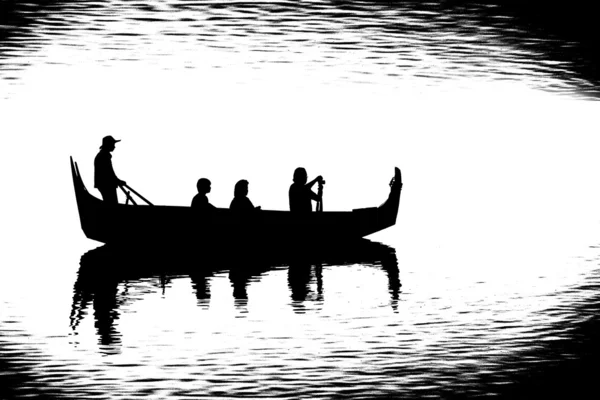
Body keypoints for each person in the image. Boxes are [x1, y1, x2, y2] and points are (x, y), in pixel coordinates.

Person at [94, 135, 126, 204]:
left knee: (111, 204)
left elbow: (109, 172)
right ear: (108, 144)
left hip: (105, 184)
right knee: (112, 204)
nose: (114, 146)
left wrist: (117, 180)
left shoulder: (103, 155)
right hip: (107, 185)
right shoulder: (104, 156)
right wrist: (117, 181)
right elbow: (108, 173)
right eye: (113, 144)